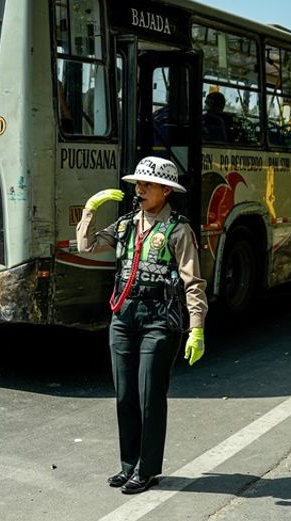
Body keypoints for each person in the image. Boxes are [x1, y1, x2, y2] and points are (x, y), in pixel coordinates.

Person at [78, 156, 208, 494]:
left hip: (159, 320)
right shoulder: (123, 226)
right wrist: (90, 210)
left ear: (165, 190)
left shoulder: (179, 230)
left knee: (149, 394)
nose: (139, 190)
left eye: (146, 185)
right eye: (137, 184)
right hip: (123, 317)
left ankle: (147, 469)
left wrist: (197, 327)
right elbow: (86, 245)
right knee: (124, 395)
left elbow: (193, 282)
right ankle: (128, 465)